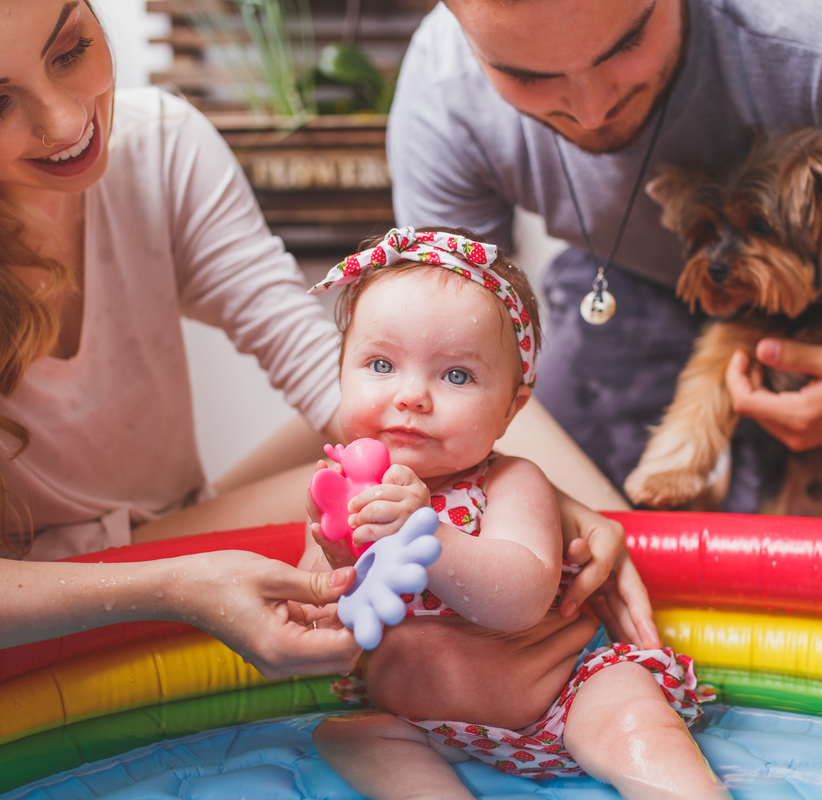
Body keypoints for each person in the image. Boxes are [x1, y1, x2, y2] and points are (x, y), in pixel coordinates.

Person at [0, 0, 651, 673]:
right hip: (7, 590)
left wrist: (562, 507)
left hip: (168, 525)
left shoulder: (158, 147)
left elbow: (321, 371)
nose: (63, 120)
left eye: (70, 48)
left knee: (399, 392)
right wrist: (176, 587)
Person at [387, 0, 822, 511]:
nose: (592, 111)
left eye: (627, 44)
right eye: (527, 74)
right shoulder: (444, 92)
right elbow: (449, 350)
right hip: (625, 277)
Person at [301, 227, 728, 799]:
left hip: (562, 699)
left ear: (510, 408)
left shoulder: (508, 481)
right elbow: (314, 626)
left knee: (631, 715)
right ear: (340, 373)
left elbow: (520, 598)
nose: (412, 396)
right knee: (348, 736)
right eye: (380, 365)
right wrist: (331, 563)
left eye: (456, 375)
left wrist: (426, 533)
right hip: (420, 723)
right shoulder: (343, 494)